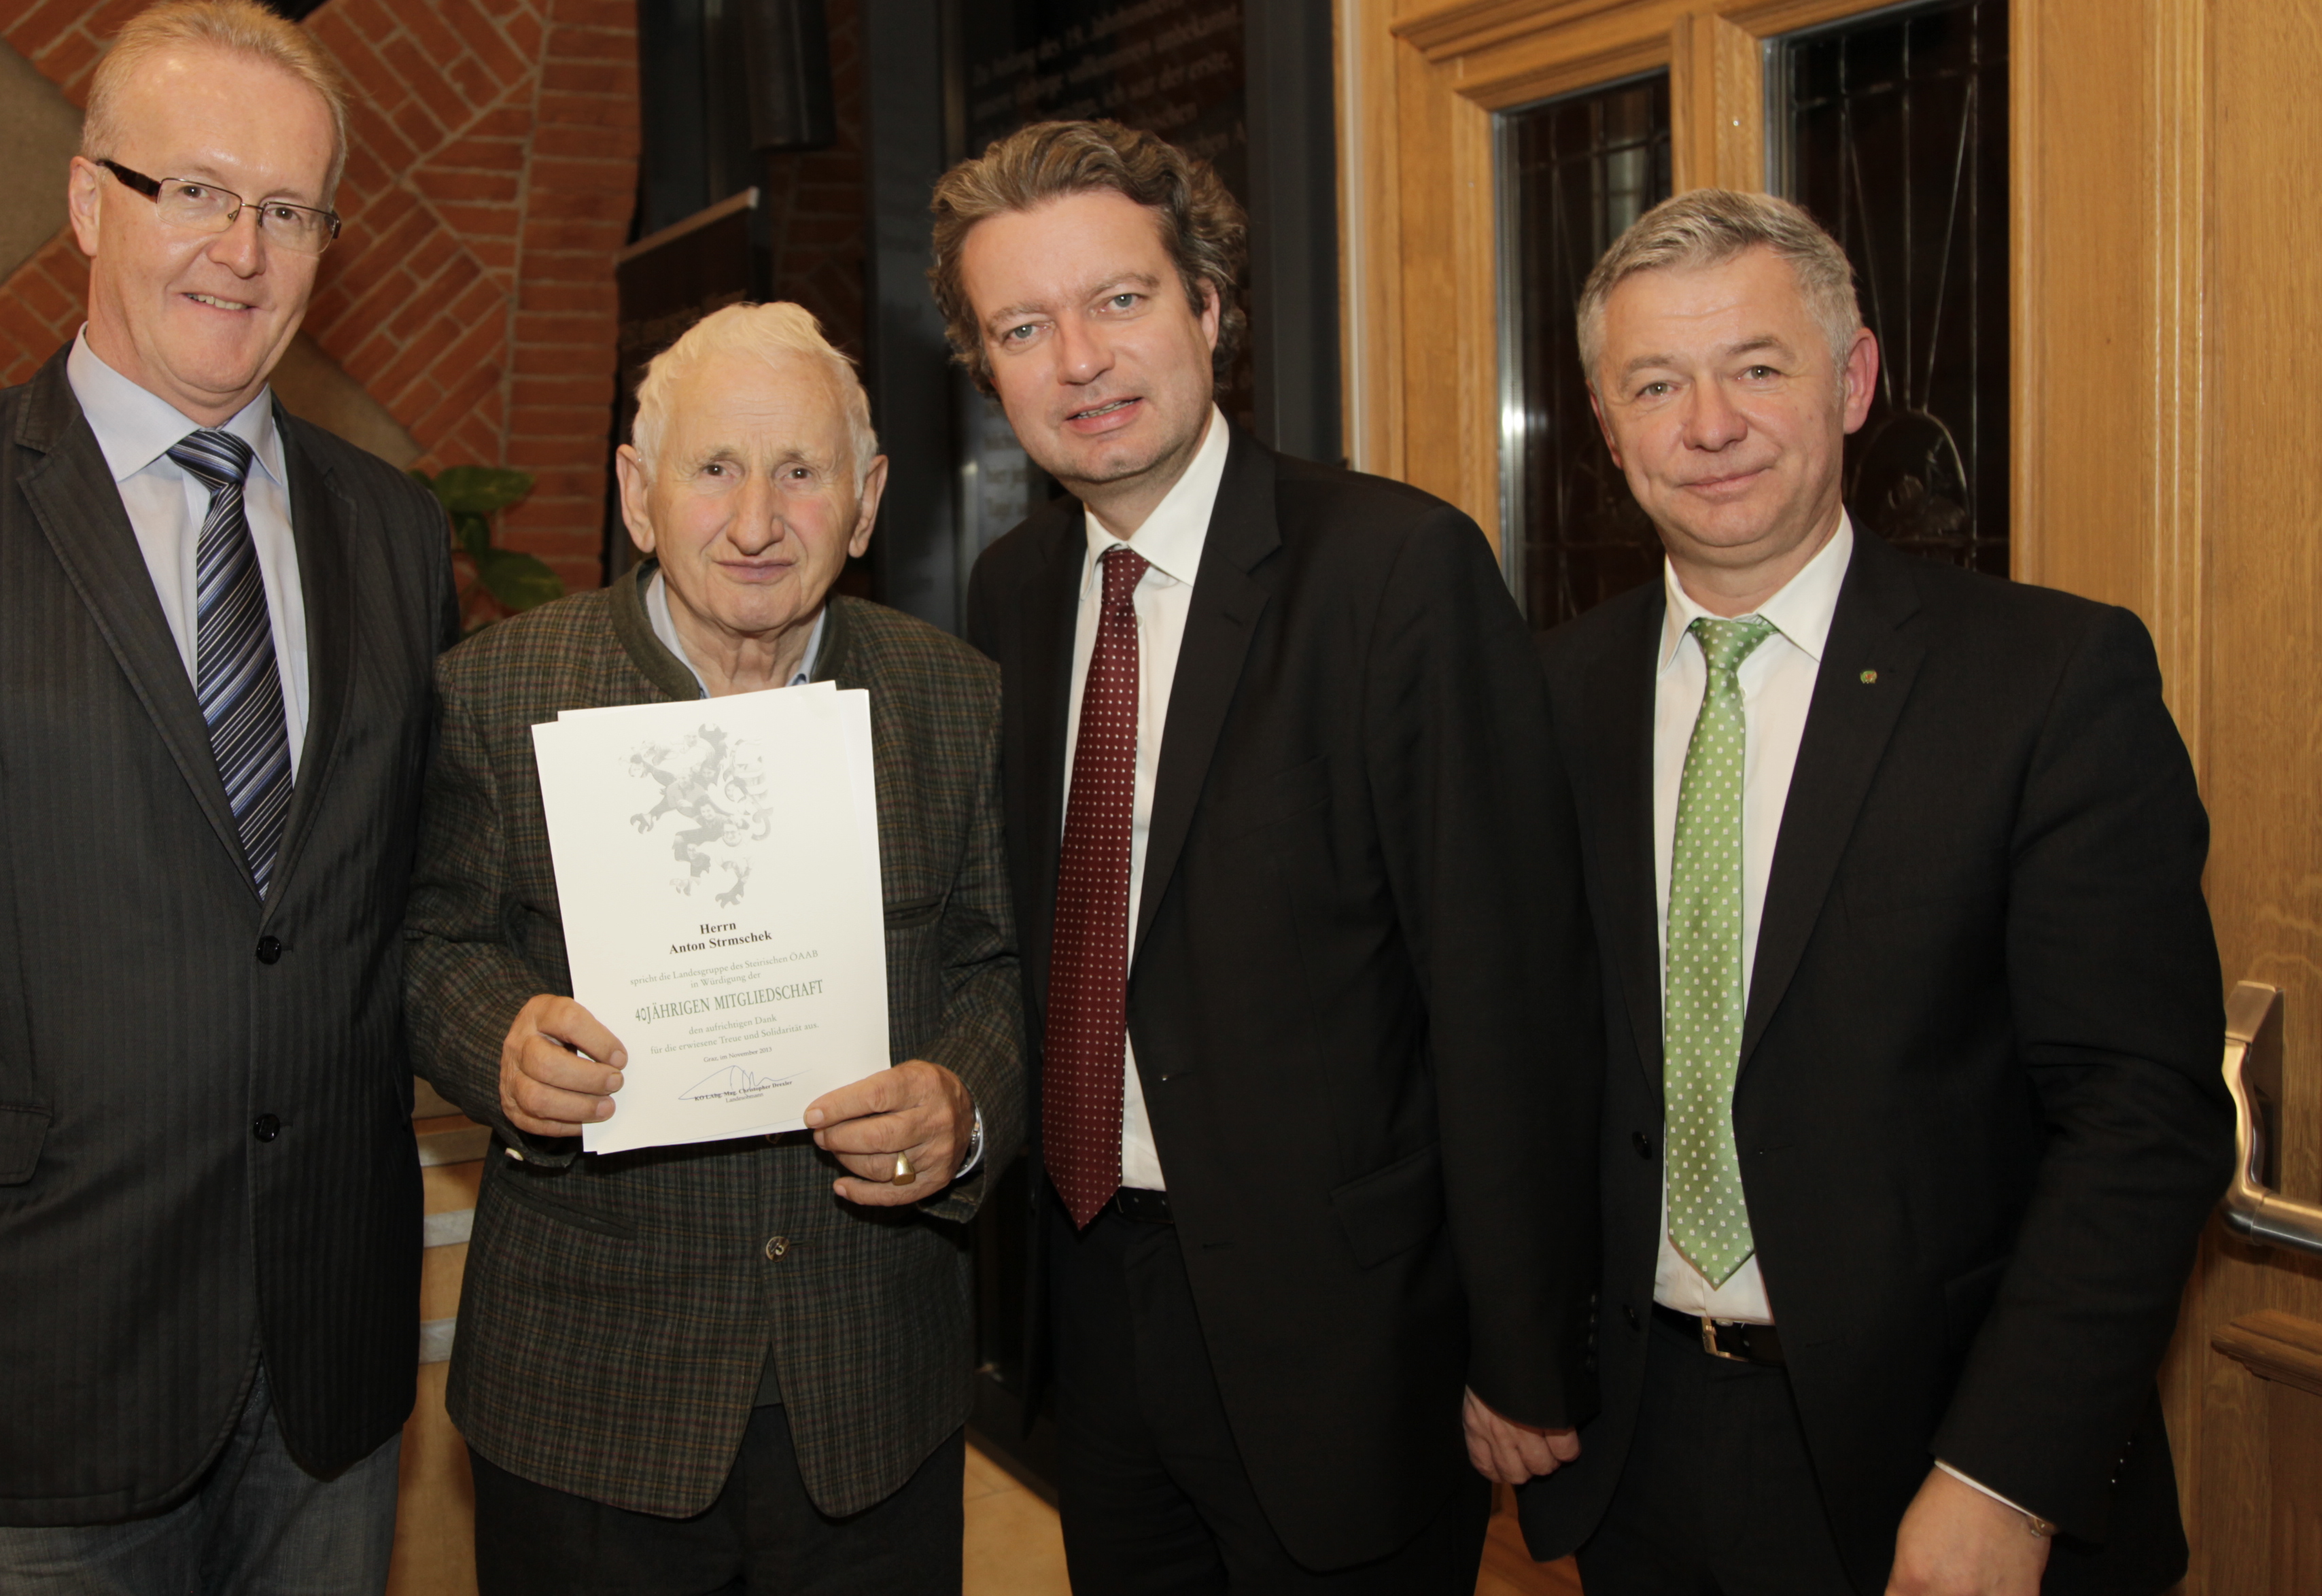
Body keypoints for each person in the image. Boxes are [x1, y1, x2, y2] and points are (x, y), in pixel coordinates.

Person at [0, 0, 457, 1592]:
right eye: (195, 190)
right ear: (86, 199)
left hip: (328, 1378)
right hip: (32, 1375)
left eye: (289, 210)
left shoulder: (397, 535)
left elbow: (412, 913)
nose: (241, 252)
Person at [1513, 189, 2229, 1596]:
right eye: (1655, 385)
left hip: (1947, 1461)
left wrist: (2006, 1478)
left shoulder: (2047, 683)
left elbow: (2142, 1119)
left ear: (1853, 383)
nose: (1708, 424)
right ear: (1605, 424)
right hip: (1638, 1451)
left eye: (1756, 367)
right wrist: (1513, 1349)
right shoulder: (1546, 696)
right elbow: (1509, 1062)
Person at [943, 119, 1604, 1593]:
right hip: (1090, 1301)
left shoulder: (1393, 570)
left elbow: (1505, 994)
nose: (1079, 361)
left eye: (1119, 300)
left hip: (1345, 1338)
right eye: (1023, 327)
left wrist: (1524, 1349)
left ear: (1209, 307)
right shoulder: (1014, 590)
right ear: (987, 368)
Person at [404, 300, 1026, 1594]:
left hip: (873, 1394)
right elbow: (432, 942)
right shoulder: (496, 691)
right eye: (715, 469)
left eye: (801, 473)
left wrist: (964, 1099)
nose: (756, 522)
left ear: (866, 503)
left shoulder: (954, 698)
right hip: (588, 1403)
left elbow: (1004, 966)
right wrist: (501, 1042)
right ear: (639, 494)